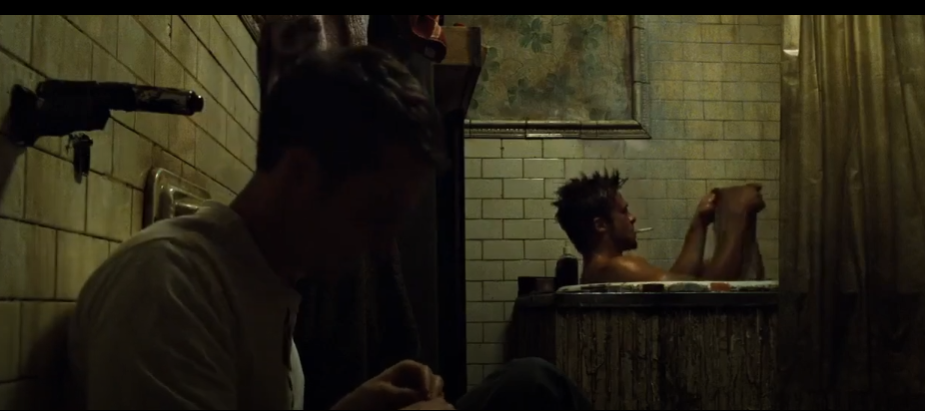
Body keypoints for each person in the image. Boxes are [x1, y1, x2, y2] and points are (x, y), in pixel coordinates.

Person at [68, 46, 589, 410]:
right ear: (301, 174)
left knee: (531, 383)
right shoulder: (171, 286)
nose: (382, 246)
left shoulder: (265, 288)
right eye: (375, 214)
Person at [553, 170, 764, 284]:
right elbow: (705, 294)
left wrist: (699, 223)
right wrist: (738, 213)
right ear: (600, 225)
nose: (632, 218)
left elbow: (676, 286)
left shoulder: (600, 271)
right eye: (624, 212)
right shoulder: (618, 268)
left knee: (705, 265)